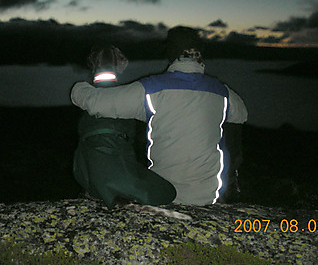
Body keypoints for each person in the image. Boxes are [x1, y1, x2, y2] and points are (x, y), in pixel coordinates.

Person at [71, 27, 247, 205]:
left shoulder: (152, 89)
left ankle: (104, 188)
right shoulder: (225, 94)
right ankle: (231, 187)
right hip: (210, 197)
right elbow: (241, 116)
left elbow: (95, 104)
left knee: (103, 122)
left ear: (169, 52)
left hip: (163, 195)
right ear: (201, 53)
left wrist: (90, 79)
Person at [72, 44, 176, 209]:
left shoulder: (83, 95)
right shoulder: (125, 99)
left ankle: (97, 190)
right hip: (117, 163)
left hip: (84, 170)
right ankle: (119, 192)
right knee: (167, 192)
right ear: (120, 65)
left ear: (93, 65)